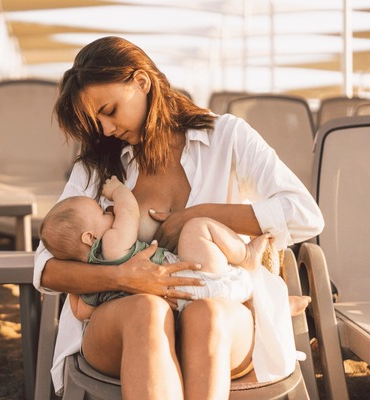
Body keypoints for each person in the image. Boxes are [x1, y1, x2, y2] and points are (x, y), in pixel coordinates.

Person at [33, 36, 324, 399]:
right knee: (147, 310)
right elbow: (45, 268)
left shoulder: (227, 137)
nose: (105, 129)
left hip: (222, 317)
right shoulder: (99, 165)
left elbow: (305, 214)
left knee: (208, 315)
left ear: (141, 82)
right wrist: (121, 277)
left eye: (109, 110)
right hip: (124, 320)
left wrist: (200, 214)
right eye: (96, 121)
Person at [40, 175, 267, 321]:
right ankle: (247, 255)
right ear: (90, 237)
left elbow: (82, 314)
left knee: (235, 292)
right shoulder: (110, 245)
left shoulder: (89, 286)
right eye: (101, 213)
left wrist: (75, 289)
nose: (108, 211)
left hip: (178, 303)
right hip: (191, 276)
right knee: (196, 227)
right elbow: (129, 213)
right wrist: (118, 191)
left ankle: (262, 305)